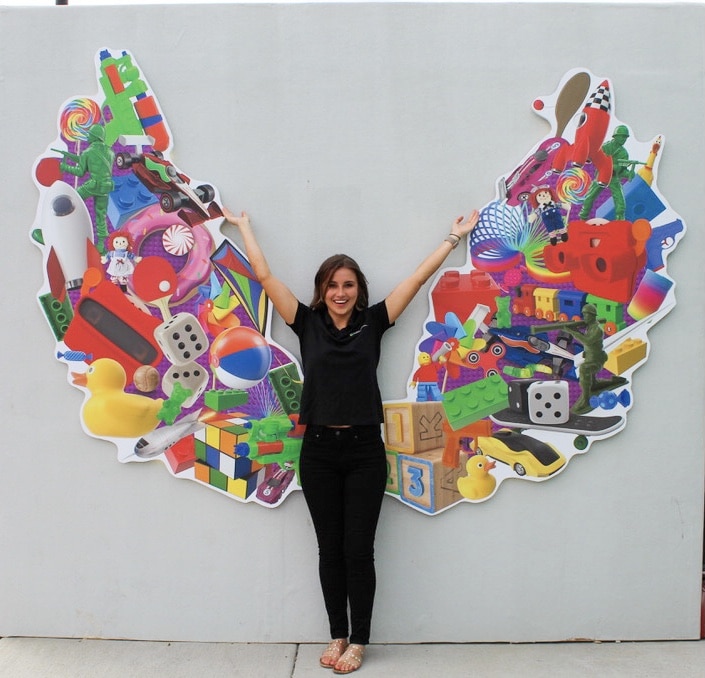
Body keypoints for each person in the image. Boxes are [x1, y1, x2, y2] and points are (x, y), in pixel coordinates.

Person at [222, 206, 478, 674]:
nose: (340, 293)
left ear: (358, 291)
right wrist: (242, 227)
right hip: (317, 451)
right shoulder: (305, 323)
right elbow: (264, 275)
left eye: (348, 285)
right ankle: (336, 634)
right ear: (322, 291)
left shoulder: (375, 323)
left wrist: (452, 238)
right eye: (333, 285)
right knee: (329, 549)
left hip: (364, 451)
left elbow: (416, 281)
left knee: (359, 549)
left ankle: (360, 639)